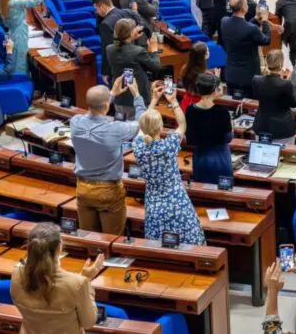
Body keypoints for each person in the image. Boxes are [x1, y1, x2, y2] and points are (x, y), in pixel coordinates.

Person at [69, 78, 147, 234]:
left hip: (83, 188)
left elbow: (93, 108)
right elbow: (142, 121)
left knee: (88, 238)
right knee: (111, 239)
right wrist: (137, 95)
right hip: (108, 191)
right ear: (107, 105)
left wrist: (110, 95)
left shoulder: (75, 122)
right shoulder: (116, 129)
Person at [132, 93, 206, 244]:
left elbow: (142, 126)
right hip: (176, 202)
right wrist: (174, 101)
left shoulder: (138, 146)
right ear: (160, 127)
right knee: (190, 245)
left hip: (153, 205)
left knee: (158, 247)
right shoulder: (169, 145)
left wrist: (153, 100)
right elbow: (183, 124)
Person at [10, 222, 103, 334]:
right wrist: (86, 281)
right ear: (59, 248)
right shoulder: (77, 284)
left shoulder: (16, 274)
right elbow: (89, 322)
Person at [106, 18, 161, 118]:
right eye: (135, 28)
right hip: (137, 96)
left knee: (122, 124)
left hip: (119, 96)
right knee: (138, 126)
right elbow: (156, 67)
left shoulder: (109, 49)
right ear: (130, 32)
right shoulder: (138, 51)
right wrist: (154, 50)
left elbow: (125, 49)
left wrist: (131, 38)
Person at [185, 73, 234, 184]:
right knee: (223, 194)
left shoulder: (190, 110)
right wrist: (232, 127)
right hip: (220, 160)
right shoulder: (222, 111)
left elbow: (190, 138)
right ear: (214, 90)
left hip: (200, 159)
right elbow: (228, 137)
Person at [221, 0, 271, 98]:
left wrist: (256, 19)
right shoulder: (251, 29)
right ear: (244, 8)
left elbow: (242, 28)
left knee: (232, 105)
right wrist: (265, 21)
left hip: (231, 74)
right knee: (249, 109)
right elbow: (266, 40)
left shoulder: (224, 21)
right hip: (248, 77)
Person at [0, 0, 46, 74]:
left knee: (17, 59)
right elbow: (37, 1)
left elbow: (6, 24)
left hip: (13, 33)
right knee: (21, 61)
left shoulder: (3, 2)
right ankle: (22, 80)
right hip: (20, 34)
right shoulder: (15, 3)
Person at [252, 50, 296, 140]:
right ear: (281, 64)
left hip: (262, 125)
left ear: (266, 61)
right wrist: (288, 81)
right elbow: (294, 103)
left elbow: (257, 96)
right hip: (282, 128)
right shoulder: (286, 84)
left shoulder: (256, 80)